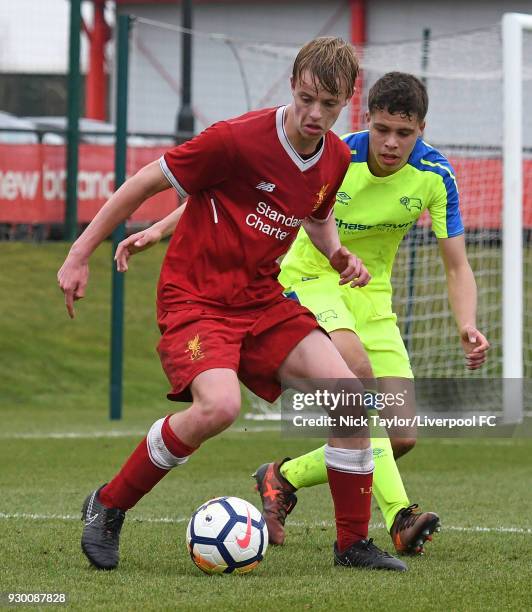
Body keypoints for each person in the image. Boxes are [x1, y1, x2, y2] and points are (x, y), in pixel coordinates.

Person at [58, 38, 407, 572]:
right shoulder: (236, 139)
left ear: (347, 102)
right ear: (293, 83)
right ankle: (108, 505)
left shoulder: (335, 156)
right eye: (307, 98)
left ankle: (352, 544)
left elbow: (314, 215)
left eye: (329, 105)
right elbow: (148, 180)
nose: (315, 114)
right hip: (196, 296)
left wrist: (336, 253)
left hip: (261, 298)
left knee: (351, 399)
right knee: (219, 408)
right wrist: (81, 252)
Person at [118, 72, 489, 557]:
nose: (392, 143)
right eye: (382, 130)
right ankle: (398, 519)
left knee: (400, 436)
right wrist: (163, 226)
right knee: (355, 375)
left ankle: (282, 477)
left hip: (371, 295)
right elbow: (239, 191)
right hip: (307, 276)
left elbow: (457, 264)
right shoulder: (336, 154)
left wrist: (466, 323)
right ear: (365, 121)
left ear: (422, 128)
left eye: (405, 133)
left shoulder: (436, 175)